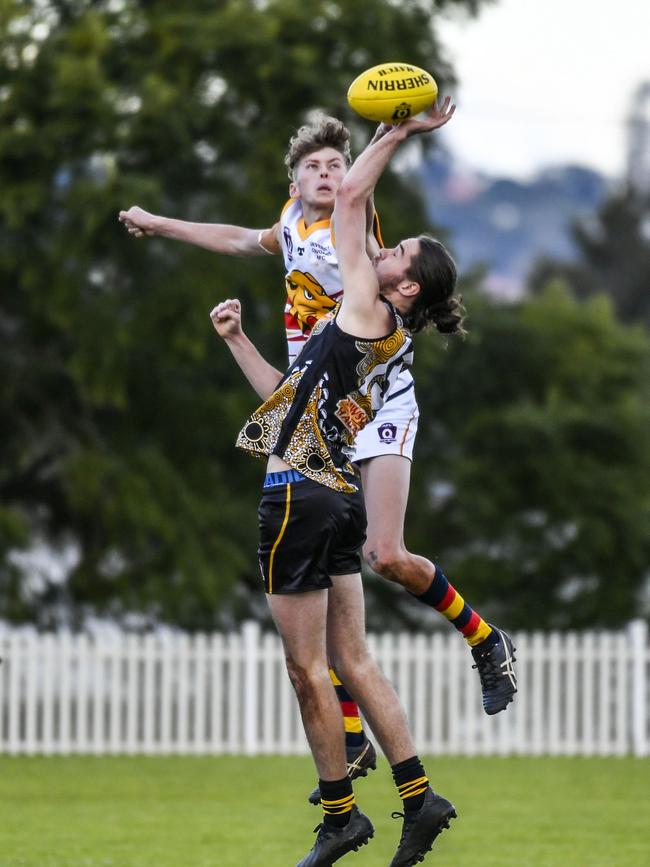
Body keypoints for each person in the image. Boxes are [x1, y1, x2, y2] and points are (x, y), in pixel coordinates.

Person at [119, 110, 517, 793]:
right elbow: (237, 238)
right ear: (295, 180)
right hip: (318, 404)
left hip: (378, 397)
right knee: (324, 555)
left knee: (385, 554)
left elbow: (361, 192)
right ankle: (356, 736)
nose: (329, 172)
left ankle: (483, 637)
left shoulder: (358, 233)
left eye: (338, 163)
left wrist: (394, 133)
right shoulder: (291, 225)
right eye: (315, 166)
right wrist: (158, 223)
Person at [211, 101, 459, 867]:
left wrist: (396, 132)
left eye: (400, 254)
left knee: (305, 666)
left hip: (300, 491)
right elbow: (286, 398)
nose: (384, 252)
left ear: (406, 289)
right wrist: (239, 340)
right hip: (336, 491)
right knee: (353, 658)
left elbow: (350, 198)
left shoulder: (364, 302)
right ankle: (420, 797)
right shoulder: (362, 325)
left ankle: (342, 816)